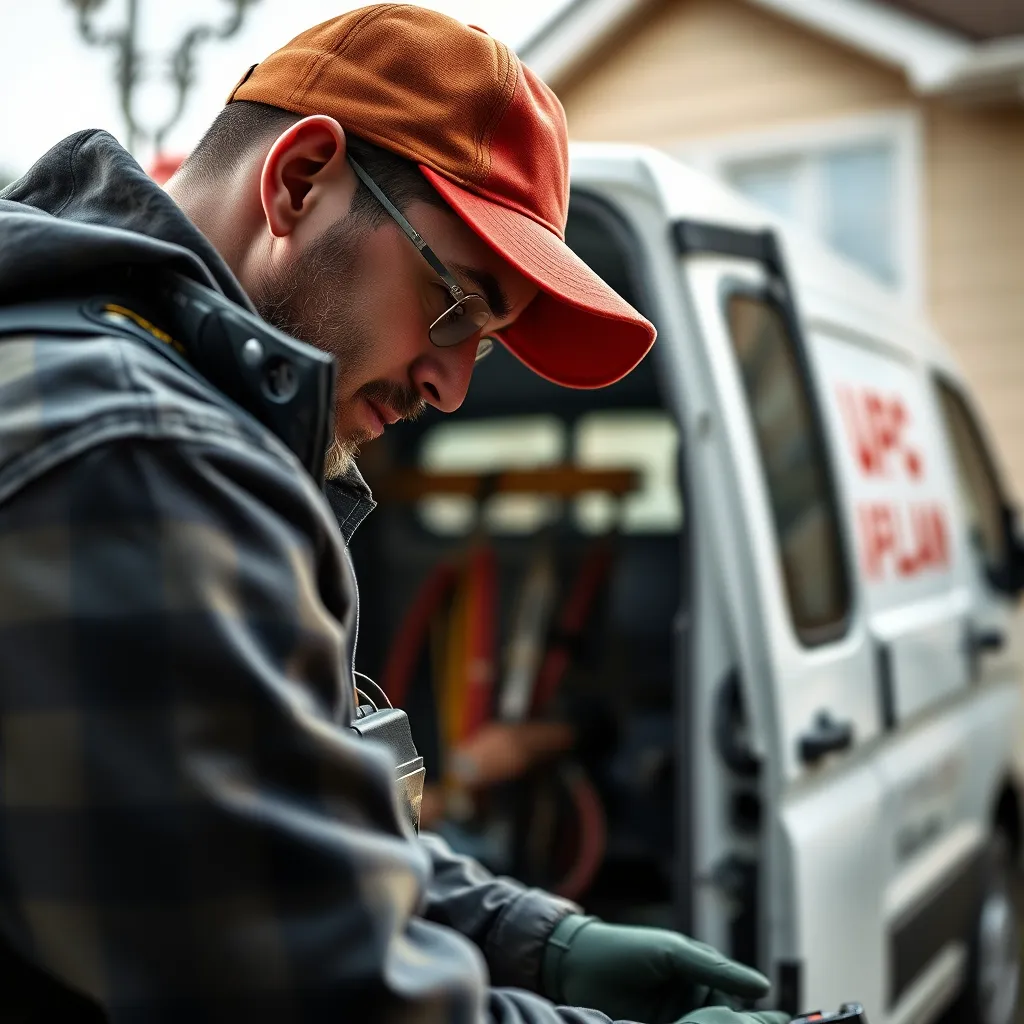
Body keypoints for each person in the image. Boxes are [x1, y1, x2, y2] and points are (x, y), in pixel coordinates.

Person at [0, 7, 790, 1024]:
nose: (452, 386)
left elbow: (278, 832)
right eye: (453, 301)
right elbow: (316, 995)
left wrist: (533, 939)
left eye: (486, 340)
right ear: (297, 180)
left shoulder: (98, 380)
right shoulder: (140, 457)